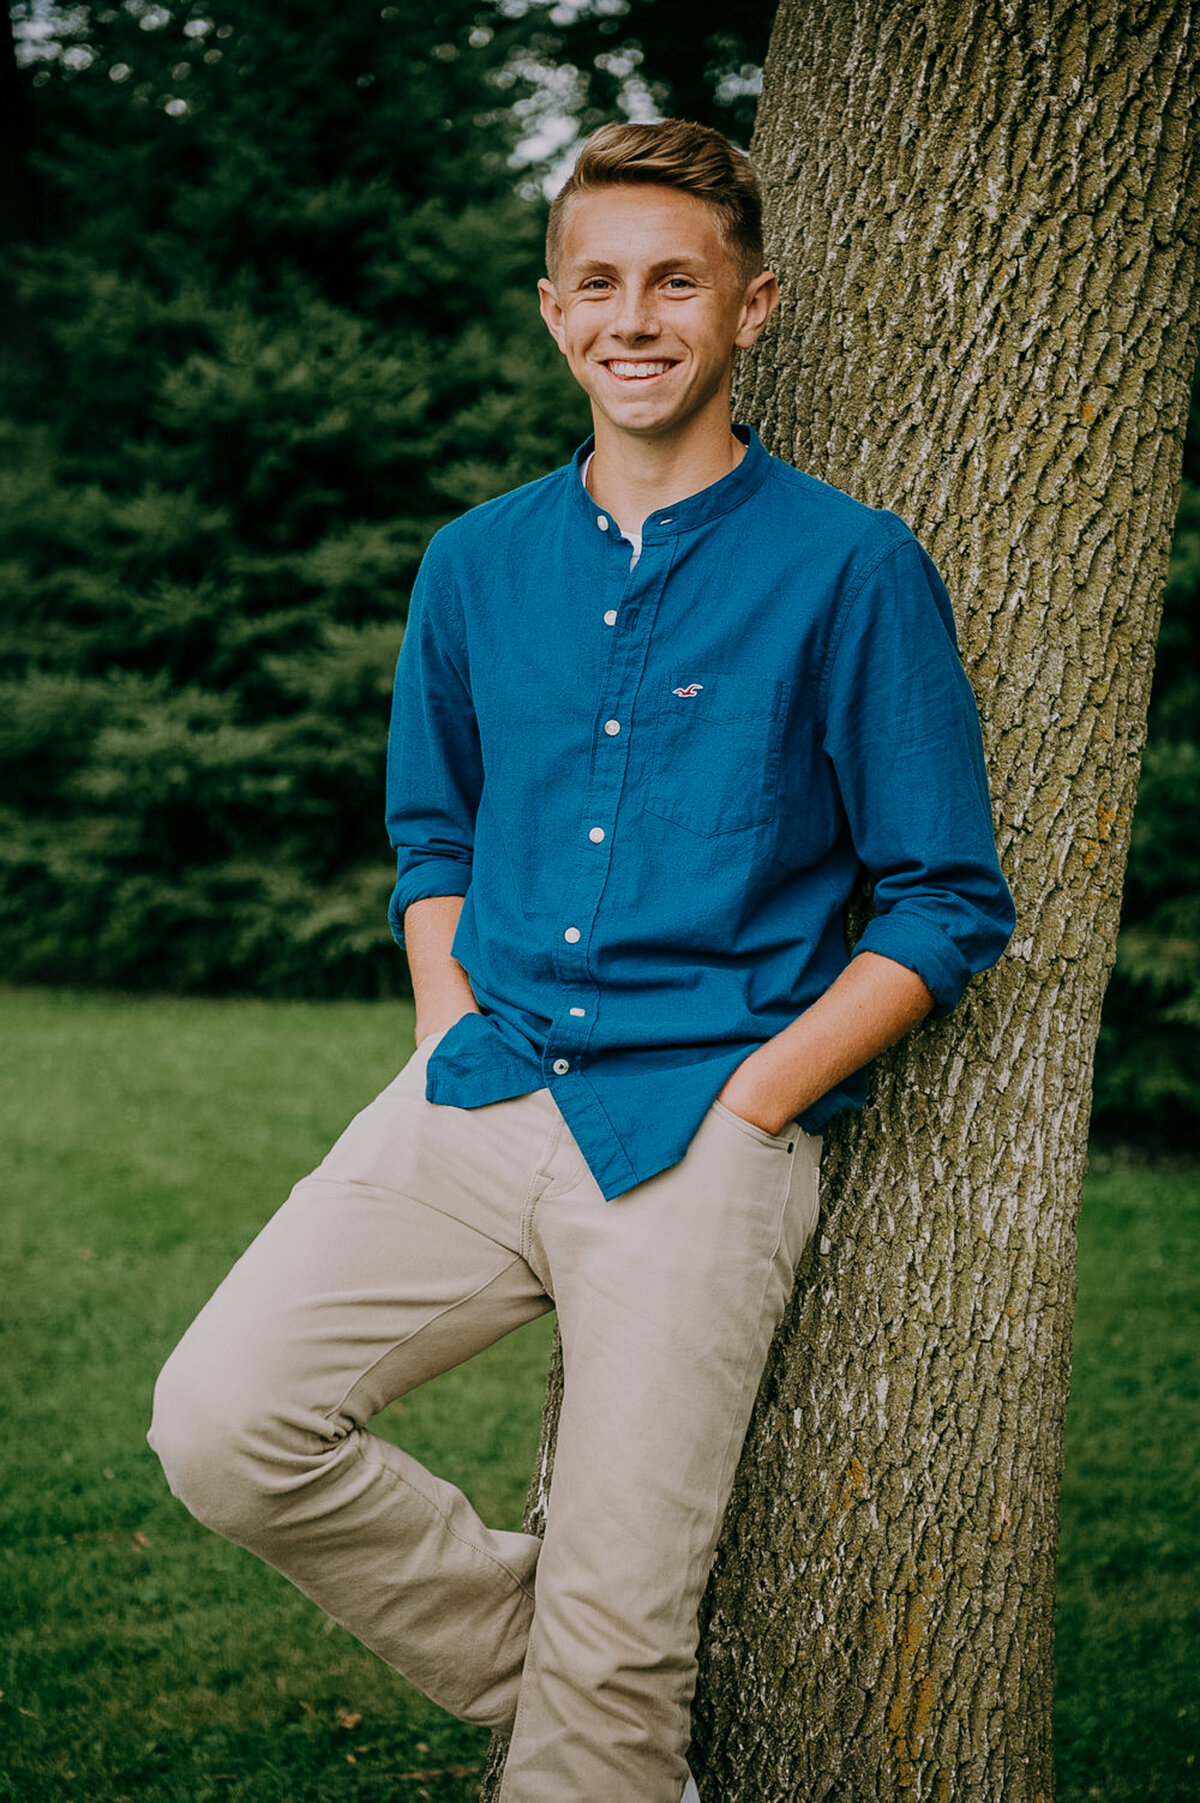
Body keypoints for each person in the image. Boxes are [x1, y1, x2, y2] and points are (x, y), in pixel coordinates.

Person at [149, 120, 1015, 1803]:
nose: (636, 317)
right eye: (600, 283)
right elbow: (435, 837)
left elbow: (942, 899)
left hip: (703, 1131)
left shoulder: (851, 567)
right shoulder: (474, 564)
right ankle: (551, 1662)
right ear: (554, 313)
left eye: (676, 283)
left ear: (750, 309)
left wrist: (757, 1104)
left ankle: (597, 1712)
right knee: (226, 1424)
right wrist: (441, 1027)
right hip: (477, 1091)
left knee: (621, 1671)